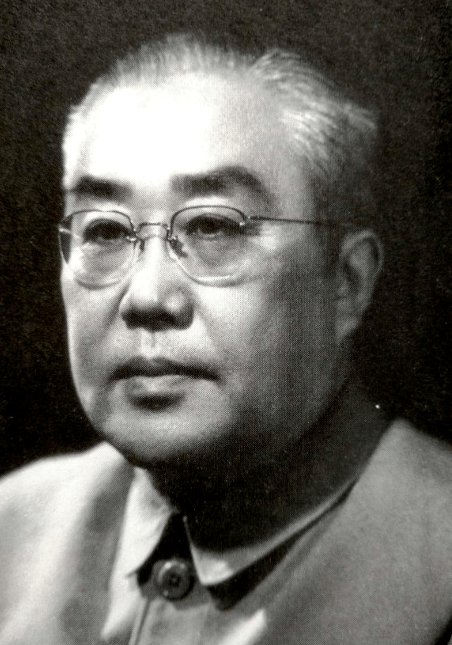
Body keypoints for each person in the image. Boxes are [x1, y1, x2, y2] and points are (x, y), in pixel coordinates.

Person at [1, 32, 452, 645]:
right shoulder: (13, 530)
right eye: (104, 231)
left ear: (345, 284)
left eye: (213, 227)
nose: (146, 297)